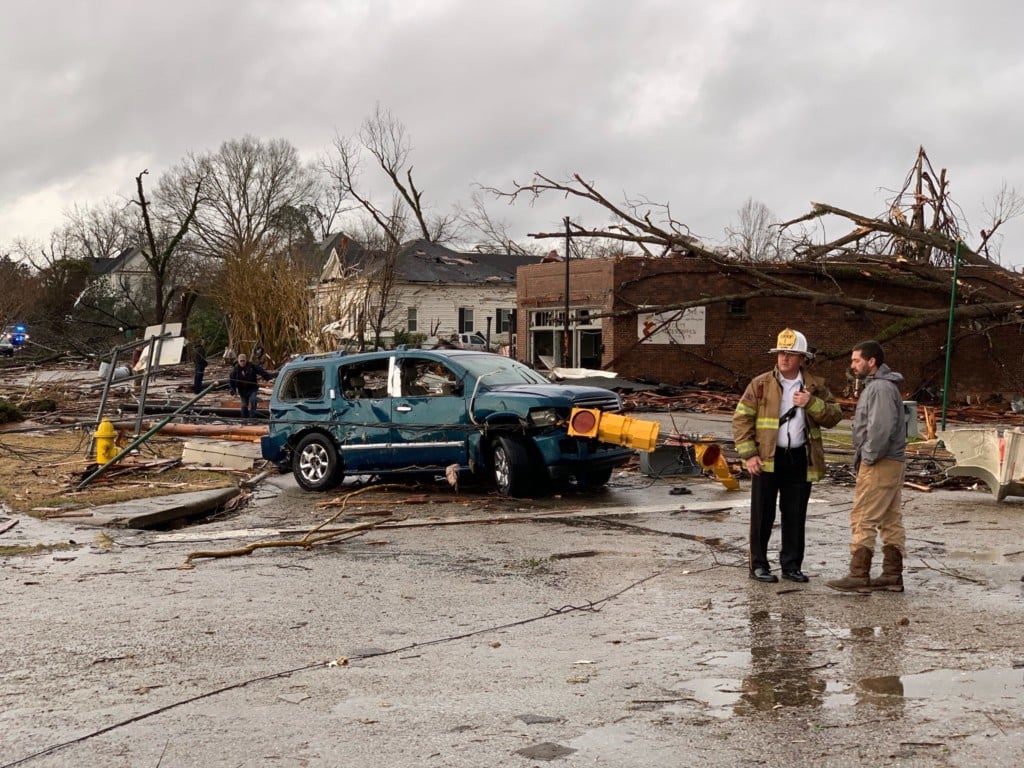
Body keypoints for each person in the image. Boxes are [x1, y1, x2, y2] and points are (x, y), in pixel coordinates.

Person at [733, 328, 843, 583]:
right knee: (762, 515)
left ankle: (791, 565)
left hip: (799, 459)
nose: (784, 358)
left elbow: (834, 416)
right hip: (767, 459)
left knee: (794, 515)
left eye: (791, 354)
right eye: (781, 353)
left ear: (802, 358)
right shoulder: (760, 384)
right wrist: (749, 454)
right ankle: (758, 565)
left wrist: (811, 403)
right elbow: (741, 420)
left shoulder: (815, 387)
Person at [827, 340, 907, 593]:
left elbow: (881, 427)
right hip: (891, 461)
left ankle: (858, 575)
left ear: (871, 362)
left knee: (863, 516)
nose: (852, 365)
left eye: (856, 360)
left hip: (881, 462)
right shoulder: (881, 386)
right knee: (889, 517)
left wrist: (869, 456)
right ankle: (892, 575)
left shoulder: (880, 388)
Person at [229, 353, 272, 419]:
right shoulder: (235, 370)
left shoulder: (251, 366)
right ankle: (244, 419)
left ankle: (252, 417)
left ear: (246, 360)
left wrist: (268, 379)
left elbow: (261, 371)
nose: (242, 362)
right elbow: (231, 382)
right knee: (244, 405)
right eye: (241, 361)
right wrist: (233, 391)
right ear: (238, 361)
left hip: (252, 388)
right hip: (242, 390)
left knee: (253, 400)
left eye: (244, 361)